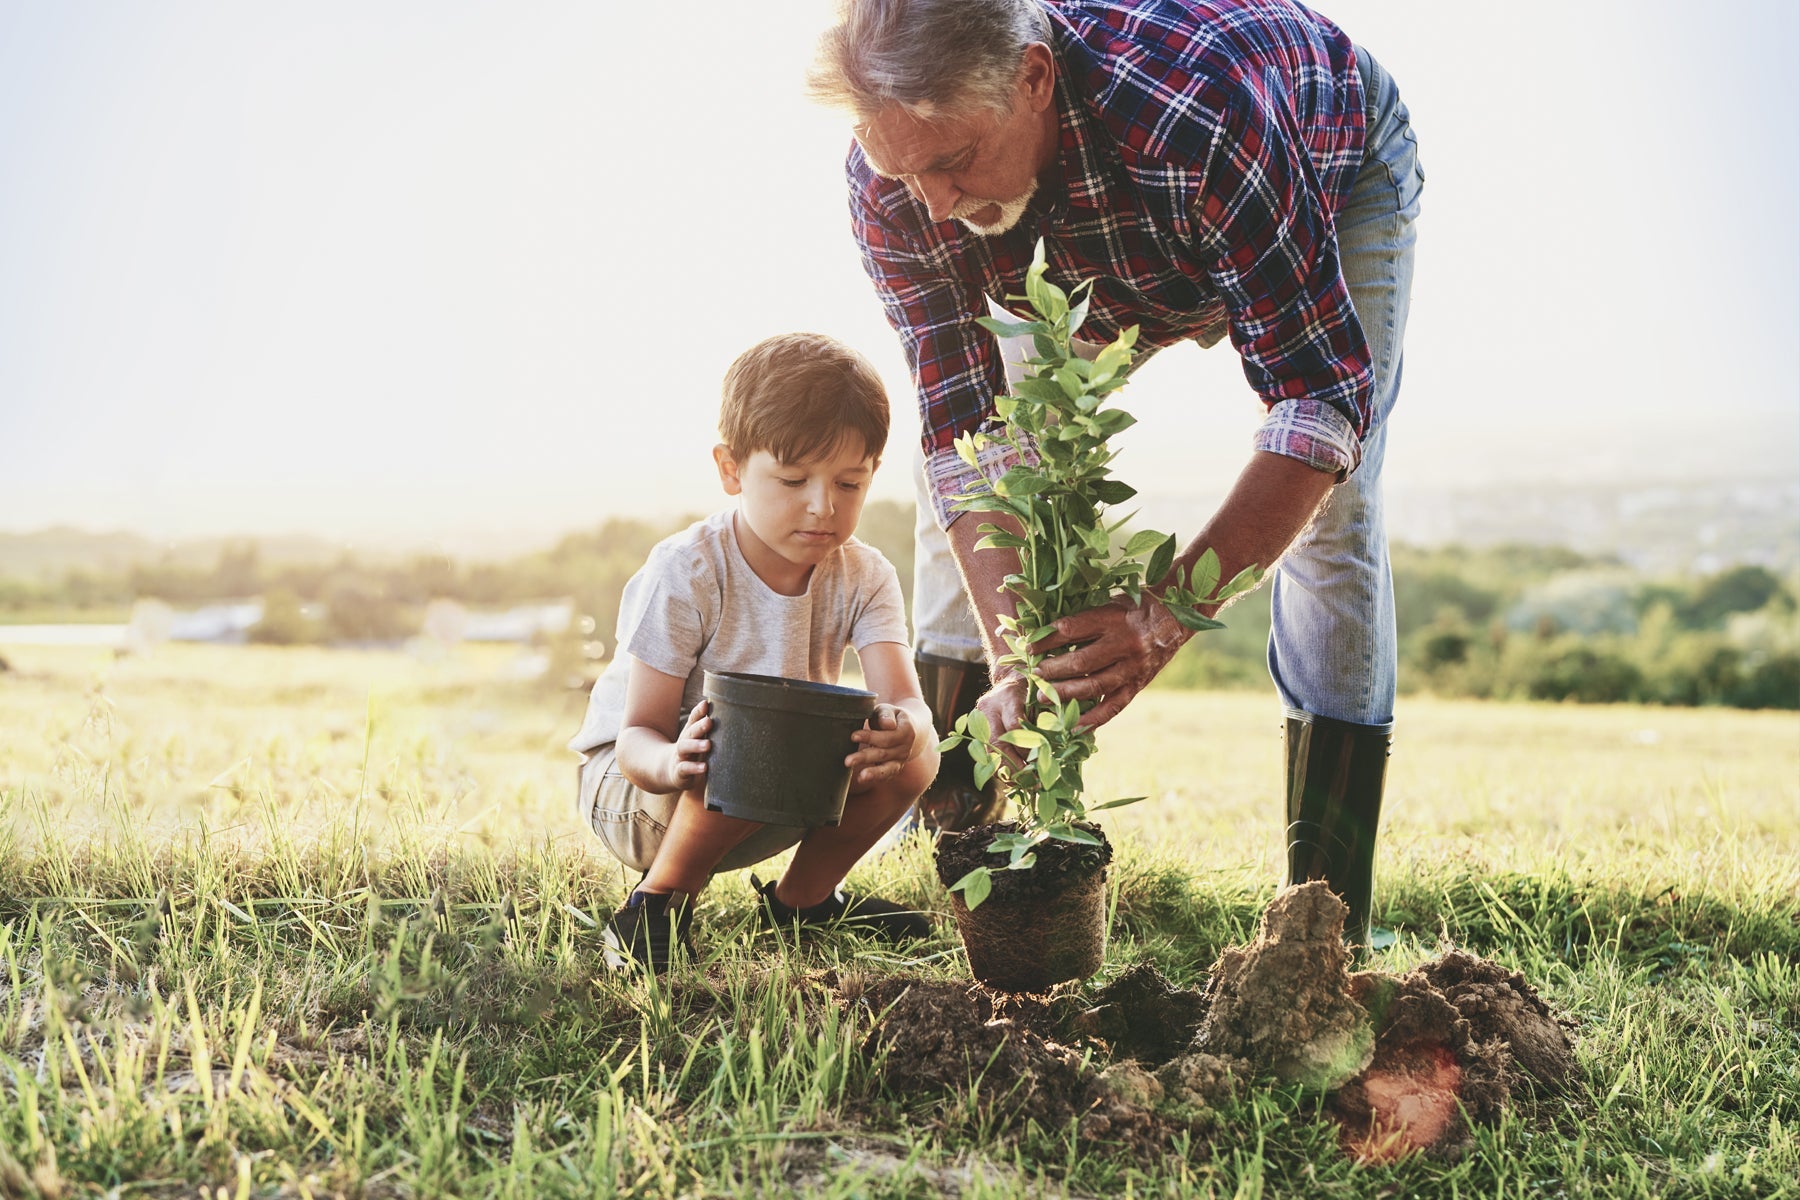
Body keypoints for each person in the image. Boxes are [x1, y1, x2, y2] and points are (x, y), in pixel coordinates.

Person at [809, 0, 1423, 951]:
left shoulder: (1201, 114)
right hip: (1100, 242)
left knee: (1335, 515)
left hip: (1314, 173)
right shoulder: (898, 181)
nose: (929, 203)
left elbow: (1318, 401)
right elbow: (966, 432)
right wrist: (1020, 653)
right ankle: (960, 838)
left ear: (1035, 80)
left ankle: (1325, 921)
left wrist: (1160, 618)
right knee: (982, 484)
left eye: (953, 162)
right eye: (902, 169)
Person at [567, 332, 939, 971]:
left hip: (772, 785)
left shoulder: (866, 574)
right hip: (643, 794)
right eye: (794, 480)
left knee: (918, 746)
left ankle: (803, 905)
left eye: (849, 484)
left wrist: (907, 730)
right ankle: (654, 908)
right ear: (731, 469)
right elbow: (634, 739)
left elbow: (907, 699)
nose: (823, 507)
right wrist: (676, 760)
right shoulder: (687, 571)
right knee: (750, 733)